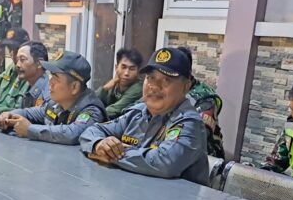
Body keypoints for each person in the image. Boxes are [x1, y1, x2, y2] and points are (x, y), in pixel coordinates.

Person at [79, 47, 209, 182]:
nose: (154, 86)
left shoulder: (190, 123)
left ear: (186, 87)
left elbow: (165, 162)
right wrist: (98, 144)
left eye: (166, 80)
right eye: (150, 77)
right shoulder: (137, 113)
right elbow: (90, 131)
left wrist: (113, 154)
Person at [0, 51, 105, 144]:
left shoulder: (91, 110)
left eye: (56, 78)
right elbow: (31, 113)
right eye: (51, 75)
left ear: (74, 87)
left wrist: (30, 129)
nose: (50, 82)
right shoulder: (56, 104)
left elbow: (71, 134)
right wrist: (9, 115)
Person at [175, 46, 226, 158]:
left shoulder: (204, 98)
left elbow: (197, 135)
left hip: (205, 158)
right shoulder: (166, 90)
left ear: (188, 72)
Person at [0, 36, 50, 116]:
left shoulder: (48, 92)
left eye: (22, 59)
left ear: (39, 63)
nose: (18, 65)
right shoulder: (29, 82)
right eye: (18, 59)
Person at [0, 27, 27, 115]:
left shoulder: (32, 74)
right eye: (10, 49)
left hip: (11, 119)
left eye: (16, 50)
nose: (12, 54)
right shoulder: (11, 68)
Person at [96, 48, 144, 119]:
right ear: (116, 68)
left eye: (132, 69)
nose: (126, 73)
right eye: (123, 67)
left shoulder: (138, 88)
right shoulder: (114, 84)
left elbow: (113, 111)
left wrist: (91, 115)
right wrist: (105, 88)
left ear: (138, 72)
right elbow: (92, 101)